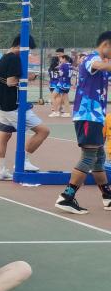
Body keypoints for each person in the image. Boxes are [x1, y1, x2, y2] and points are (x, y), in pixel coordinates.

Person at [55, 31, 111, 214]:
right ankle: (66, 197)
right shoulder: (91, 59)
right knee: (89, 157)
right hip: (88, 116)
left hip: (96, 116)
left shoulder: (103, 64)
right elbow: (98, 65)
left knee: (99, 158)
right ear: (106, 45)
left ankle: (107, 196)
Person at [0, 34, 49, 179]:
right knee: (43, 131)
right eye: (28, 49)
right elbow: (11, 81)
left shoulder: (4, 57)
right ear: (20, 45)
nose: (28, 52)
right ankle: (23, 161)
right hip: (12, 106)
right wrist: (28, 78)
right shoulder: (14, 59)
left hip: (3, 103)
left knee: (4, 136)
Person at [48, 50, 72, 117]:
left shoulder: (63, 65)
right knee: (65, 99)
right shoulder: (70, 65)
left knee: (53, 96)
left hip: (62, 84)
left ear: (64, 59)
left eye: (61, 59)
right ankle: (67, 113)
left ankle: (55, 112)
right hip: (67, 84)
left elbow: (61, 74)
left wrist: (59, 69)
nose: (60, 60)